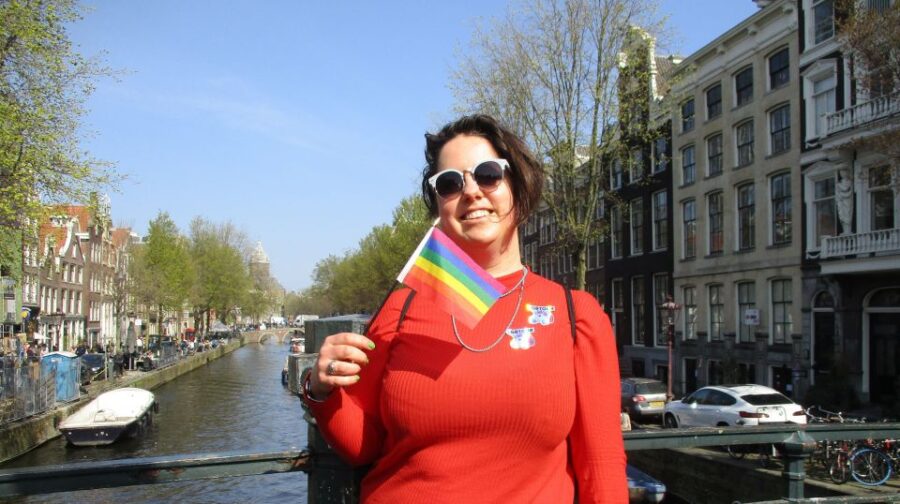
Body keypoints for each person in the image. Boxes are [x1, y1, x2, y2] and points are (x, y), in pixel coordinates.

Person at [303, 114, 628, 502]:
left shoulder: (577, 316)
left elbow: (602, 466)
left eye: (488, 174)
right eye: (450, 183)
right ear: (439, 204)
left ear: (519, 187)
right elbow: (362, 446)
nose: (471, 191)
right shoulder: (402, 307)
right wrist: (321, 390)